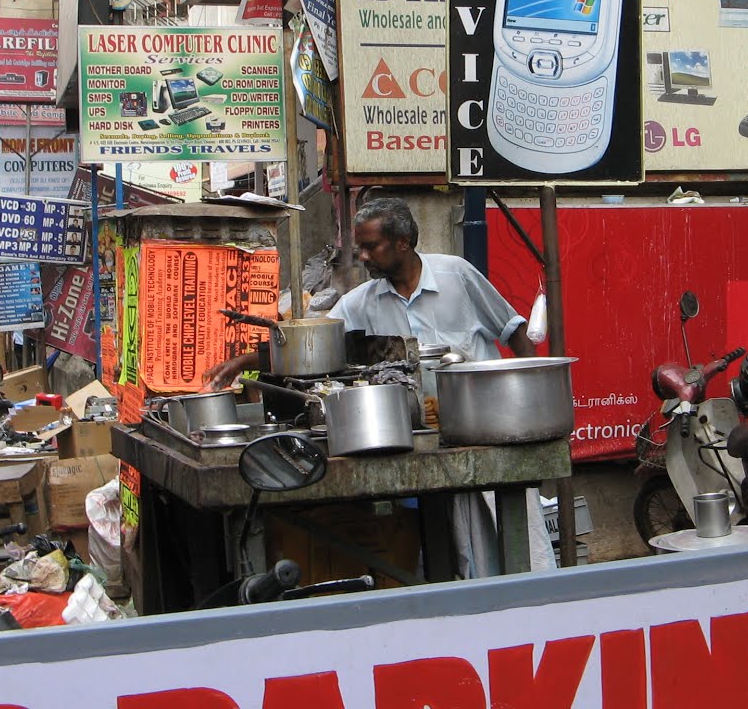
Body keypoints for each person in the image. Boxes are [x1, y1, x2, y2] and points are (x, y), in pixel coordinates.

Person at [206, 197, 551, 577]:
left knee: (514, 540)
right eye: (360, 248)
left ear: (403, 242)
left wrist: (532, 401)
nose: (364, 257)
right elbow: (311, 345)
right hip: (421, 438)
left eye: (371, 247)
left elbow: (514, 331)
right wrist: (244, 362)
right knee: (453, 550)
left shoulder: (457, 275)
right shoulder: (362, 302)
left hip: (484, 431)